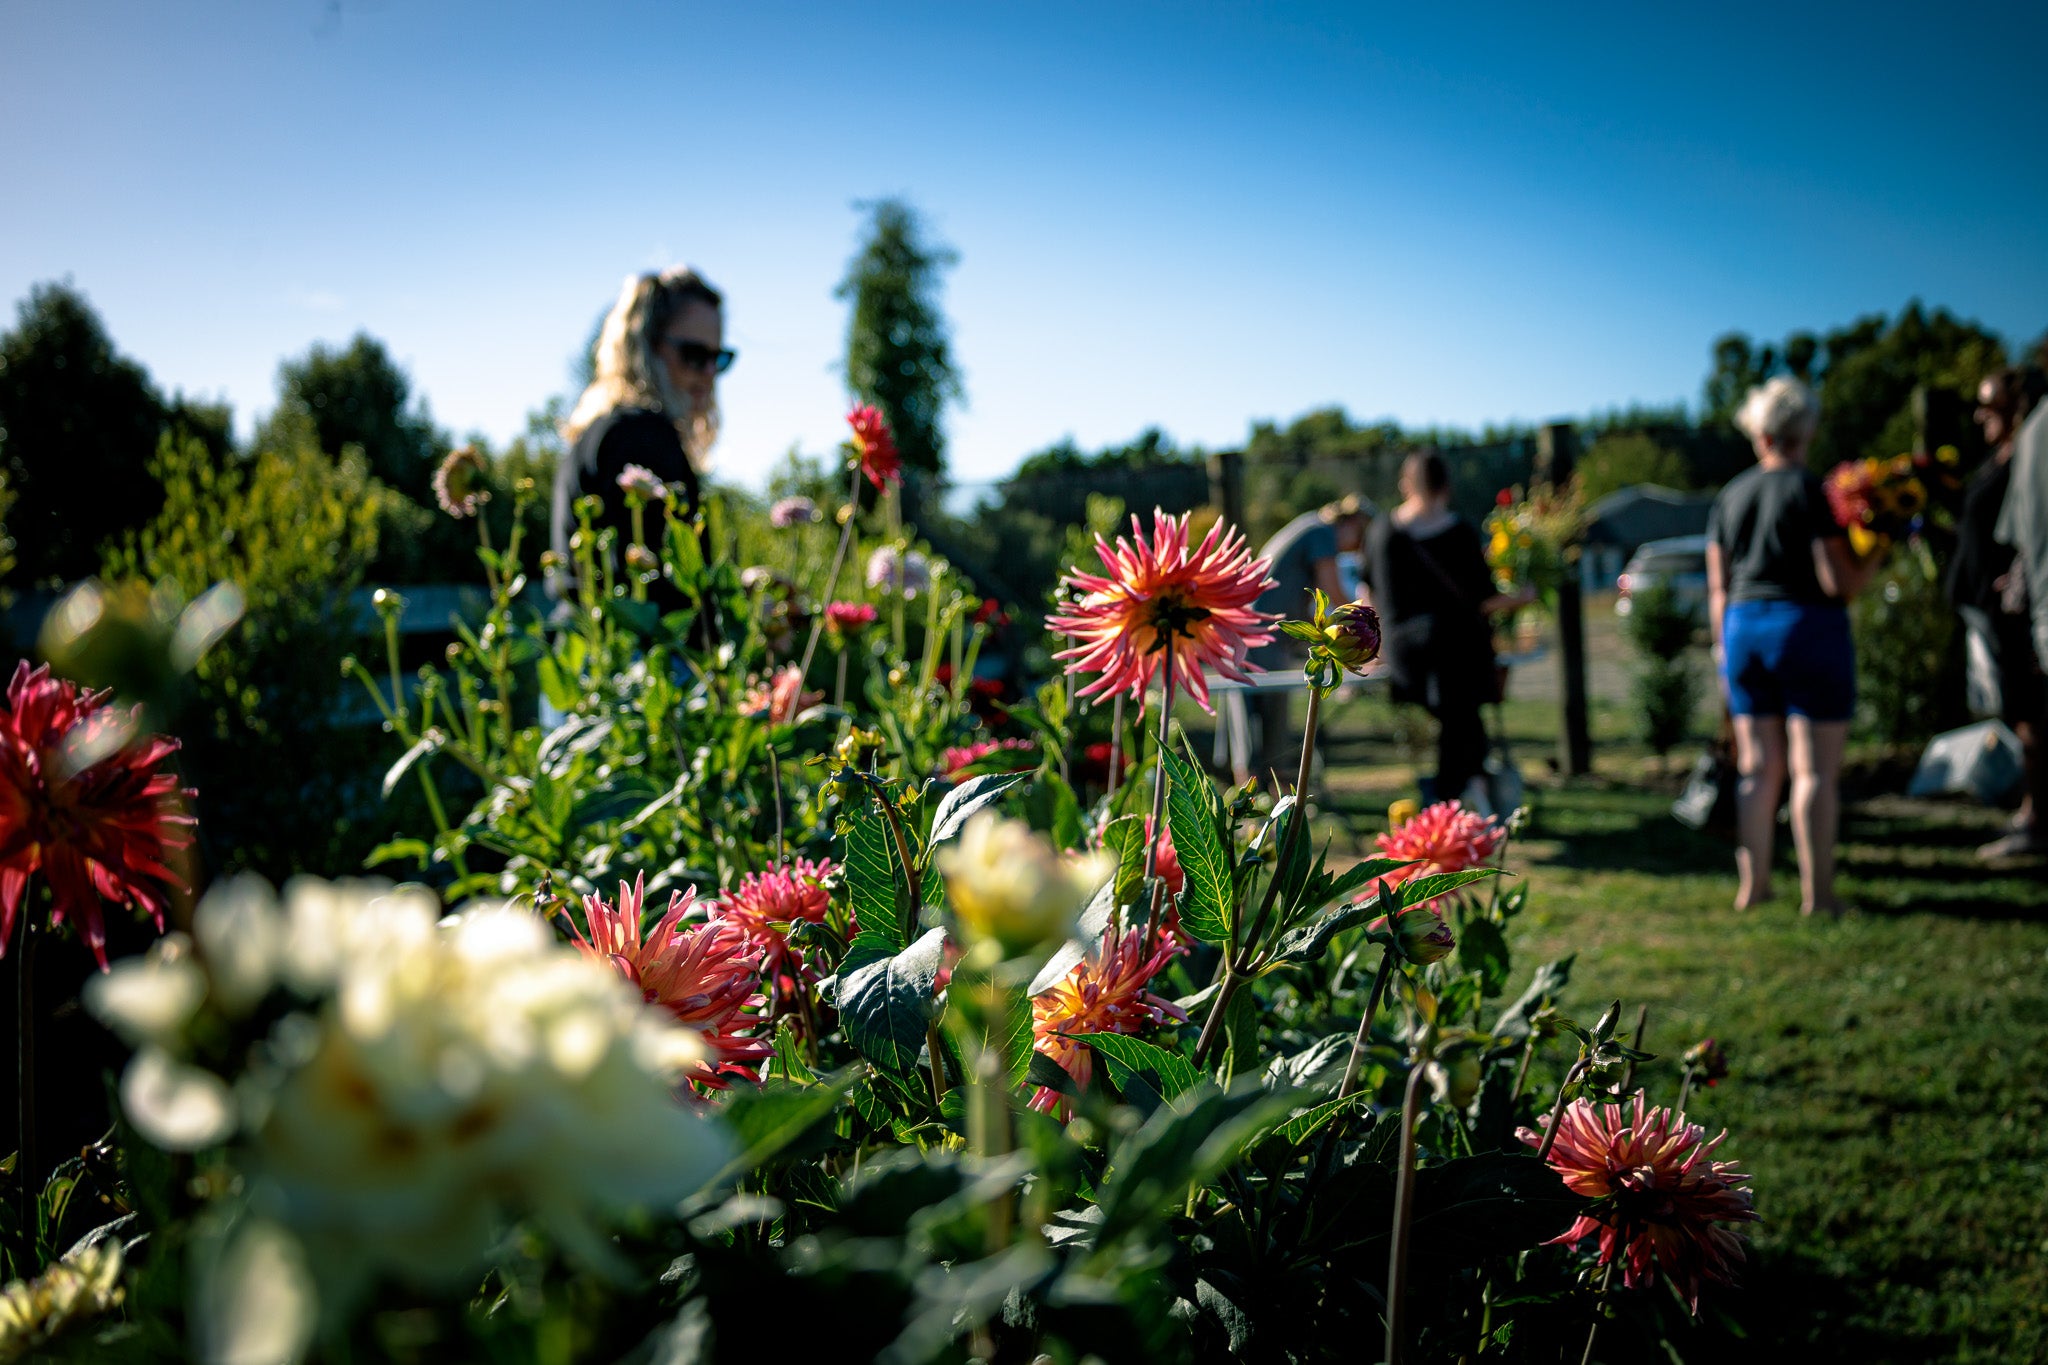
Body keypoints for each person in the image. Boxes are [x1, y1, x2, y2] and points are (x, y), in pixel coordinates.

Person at [1706, 376, 1877, 916]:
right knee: (1813, 772)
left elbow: (1719, 585)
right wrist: (1876, 552)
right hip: (1807, 629)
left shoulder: (1730, 496)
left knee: (1756, 769)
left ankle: (1752, 886)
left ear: (1759, 432)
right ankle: (1818, 895)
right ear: (1806, 430)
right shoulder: (1811, 491)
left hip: (1743, 630)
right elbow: (1837, 582)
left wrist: (1722, 650)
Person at [551, 267, 731, 609]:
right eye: (694, 355)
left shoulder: (604, 429)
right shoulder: (643, 437)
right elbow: (660, 596)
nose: (708, 374)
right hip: (632, 655)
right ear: (646, 347)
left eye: (718, 358)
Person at [1362, 451, 1531, 812]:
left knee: (1462, 722)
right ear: (1446, 486)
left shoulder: (1381, 532)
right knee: (1465, 719)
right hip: (1458, 653)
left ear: (1406, 484)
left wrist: (1374, 649)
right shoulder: (1460, 532)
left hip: (1406, 656)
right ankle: (1456, 798)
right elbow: (1484, 601)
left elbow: (1368, 596)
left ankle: (1458, 798)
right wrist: (1524, 597)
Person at [1947, 366, 2048, 857]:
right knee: (2018, 712)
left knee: (2031, 712)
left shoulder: (2031, 453)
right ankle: (2032, 811)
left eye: (1991, 405)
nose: (1980, 414)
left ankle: (2037, 816)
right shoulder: (2005, 458)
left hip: (2018, 608)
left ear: (2017, 408)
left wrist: (2020, 574)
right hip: (1990, 604)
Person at [1248, 495, 1373, 779]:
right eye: (1360, 538)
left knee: (1253, 718)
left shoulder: (1309, 526)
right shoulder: (1321, 533)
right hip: (1263, 633)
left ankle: (1258, 793)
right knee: (1271, 717)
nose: (1354, 549)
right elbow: (1336, 597)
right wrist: (1369, 624)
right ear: (1352, 522)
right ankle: (1270, 793)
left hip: (1254, 629)